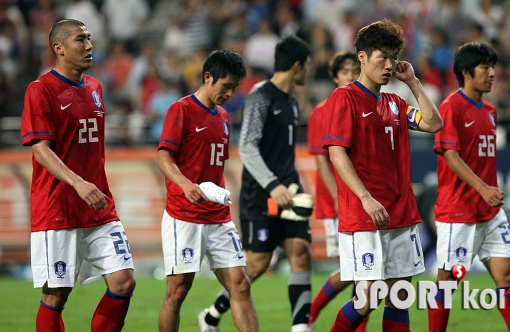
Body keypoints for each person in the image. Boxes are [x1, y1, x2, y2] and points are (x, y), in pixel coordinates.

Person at [322, 19, 443, 331]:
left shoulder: (396, 103)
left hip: (401, 212)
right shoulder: (344, 97)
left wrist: (413, 83)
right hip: (365, 216)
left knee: (399, 296)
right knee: (367, 299)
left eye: (393, 57)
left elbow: (433, 123)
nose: (389, 65)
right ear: (362, 57)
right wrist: (365, 198)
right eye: (382, 57)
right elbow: (337, 152)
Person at [20, 19, 136, 332]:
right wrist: (78, 182)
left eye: (89, 38)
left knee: (124, 281)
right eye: (80, 40)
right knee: (57, 295)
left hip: (98, 206)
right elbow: (40, 149)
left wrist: (90, 185)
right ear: (58, 48)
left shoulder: (96, 88)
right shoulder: (40, 90)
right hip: (57, 208)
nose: (88, 46)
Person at [199, 35, 314, 332]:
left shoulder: (292, 102)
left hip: (289, 191)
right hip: (261, 194)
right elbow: (247, 147)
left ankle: (301, 328)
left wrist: (293, 185)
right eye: (309, 66)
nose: (310, 72)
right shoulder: (261, 95)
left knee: (300, 252)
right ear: (299, 65)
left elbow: (283, 152)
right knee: (257, 264)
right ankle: (212, 313)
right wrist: (273, 184)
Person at [156, 49, 259, 332]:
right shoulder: (182, 109)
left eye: (234, 88)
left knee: (241, 285)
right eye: (226, 86)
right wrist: (185, 184)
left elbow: (214, 168)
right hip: (184, 215)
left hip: (218, 218)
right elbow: (164, 157)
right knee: (177, 292)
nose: (229, 93)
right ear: (208, 77)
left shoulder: (224, 116)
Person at [429, 42, 510, 332]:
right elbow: (450, 155)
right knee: (449, 283)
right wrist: (483, 187)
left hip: (490, 214)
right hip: (458, 212)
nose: (492, 72)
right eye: (485, 66)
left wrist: (488, 191)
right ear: (466, 72)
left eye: (492, 66)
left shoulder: (490, 111)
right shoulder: (450, 108)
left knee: (508, 275)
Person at [307, 50, 369, 331]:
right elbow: (323, 158)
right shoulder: (323, 110)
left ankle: (312, 312)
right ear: (334, 77)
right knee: (356, 273)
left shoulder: (363, 104)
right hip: (340, 203)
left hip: (359, 200)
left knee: (358, 273)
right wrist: (338, 198)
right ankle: (313, 312)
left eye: (354, 70)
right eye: (344, 71)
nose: (350, 76)